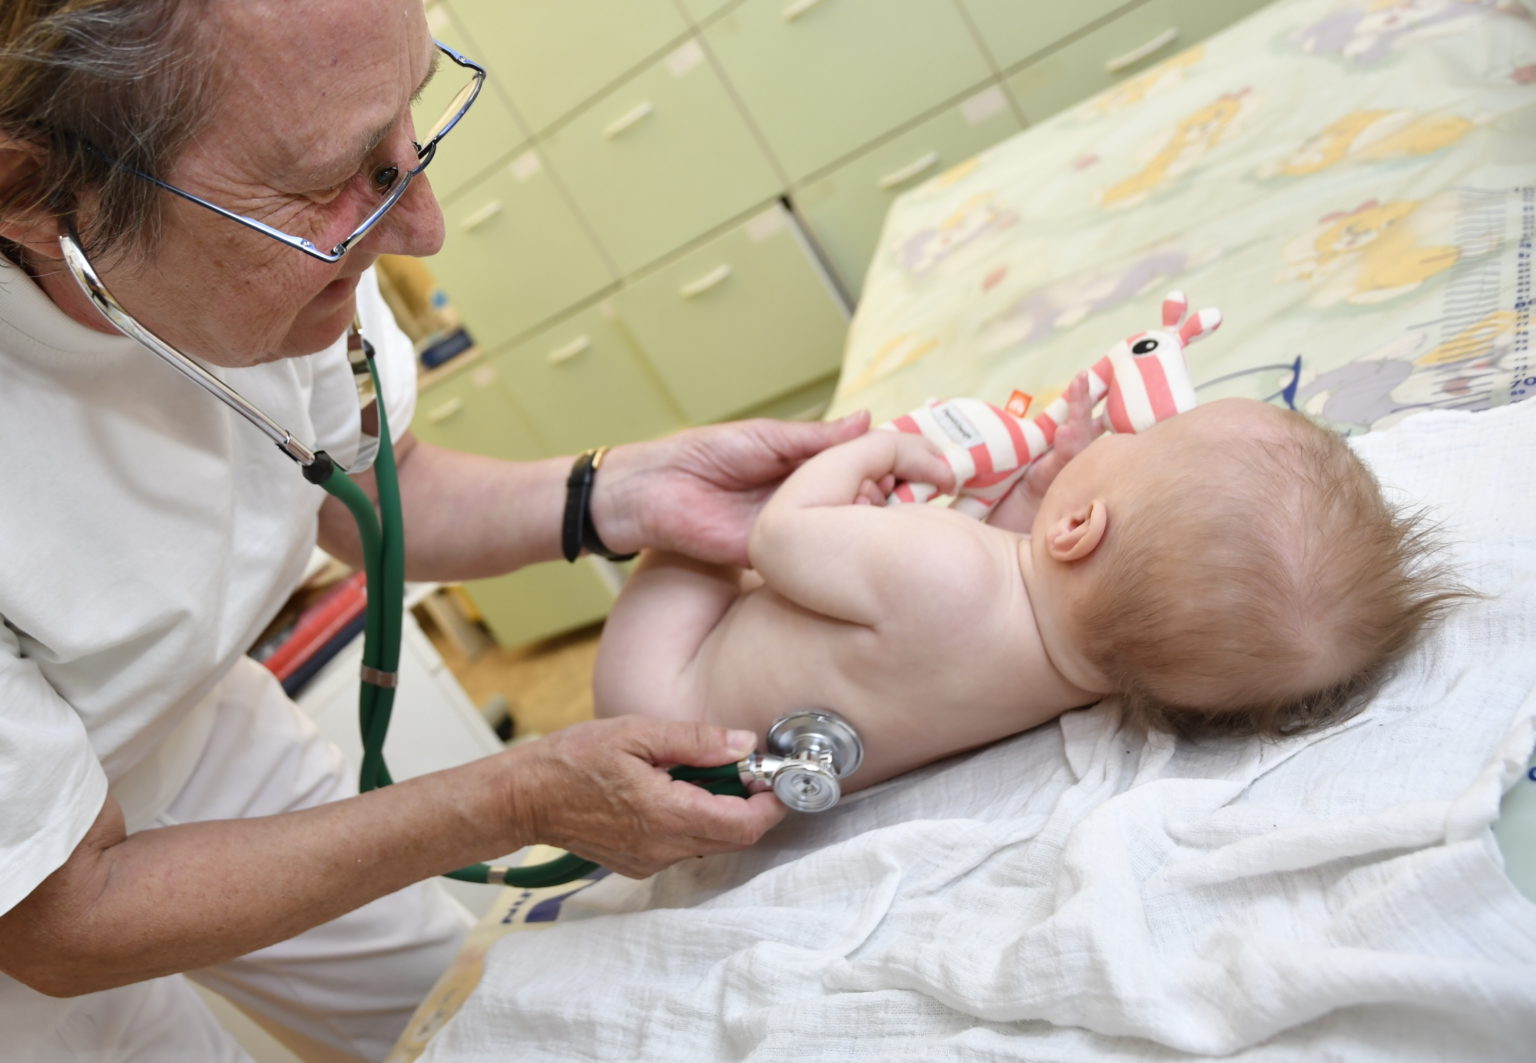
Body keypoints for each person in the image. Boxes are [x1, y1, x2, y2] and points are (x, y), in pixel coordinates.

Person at [0, 2, 872, 1059]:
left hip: (180, 718)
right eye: (334, 177)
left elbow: (372, 481)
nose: (421, 226)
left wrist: (620, 491)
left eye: (407, 125)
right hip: (33, 911)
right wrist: (515, 799)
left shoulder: (262, 253)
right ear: (30, 194)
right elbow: (62, 920)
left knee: (471, 1011)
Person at [596, 389, 1466, 791]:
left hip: (666, 687)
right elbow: (1014, 573)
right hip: (740, 765)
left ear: (1076, 527)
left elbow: (779, 538)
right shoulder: (1076, 669)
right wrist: (1043, 484)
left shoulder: (941, 569)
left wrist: (869, 453)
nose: (1128, 431)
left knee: (707, 543)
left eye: (1144, 437)